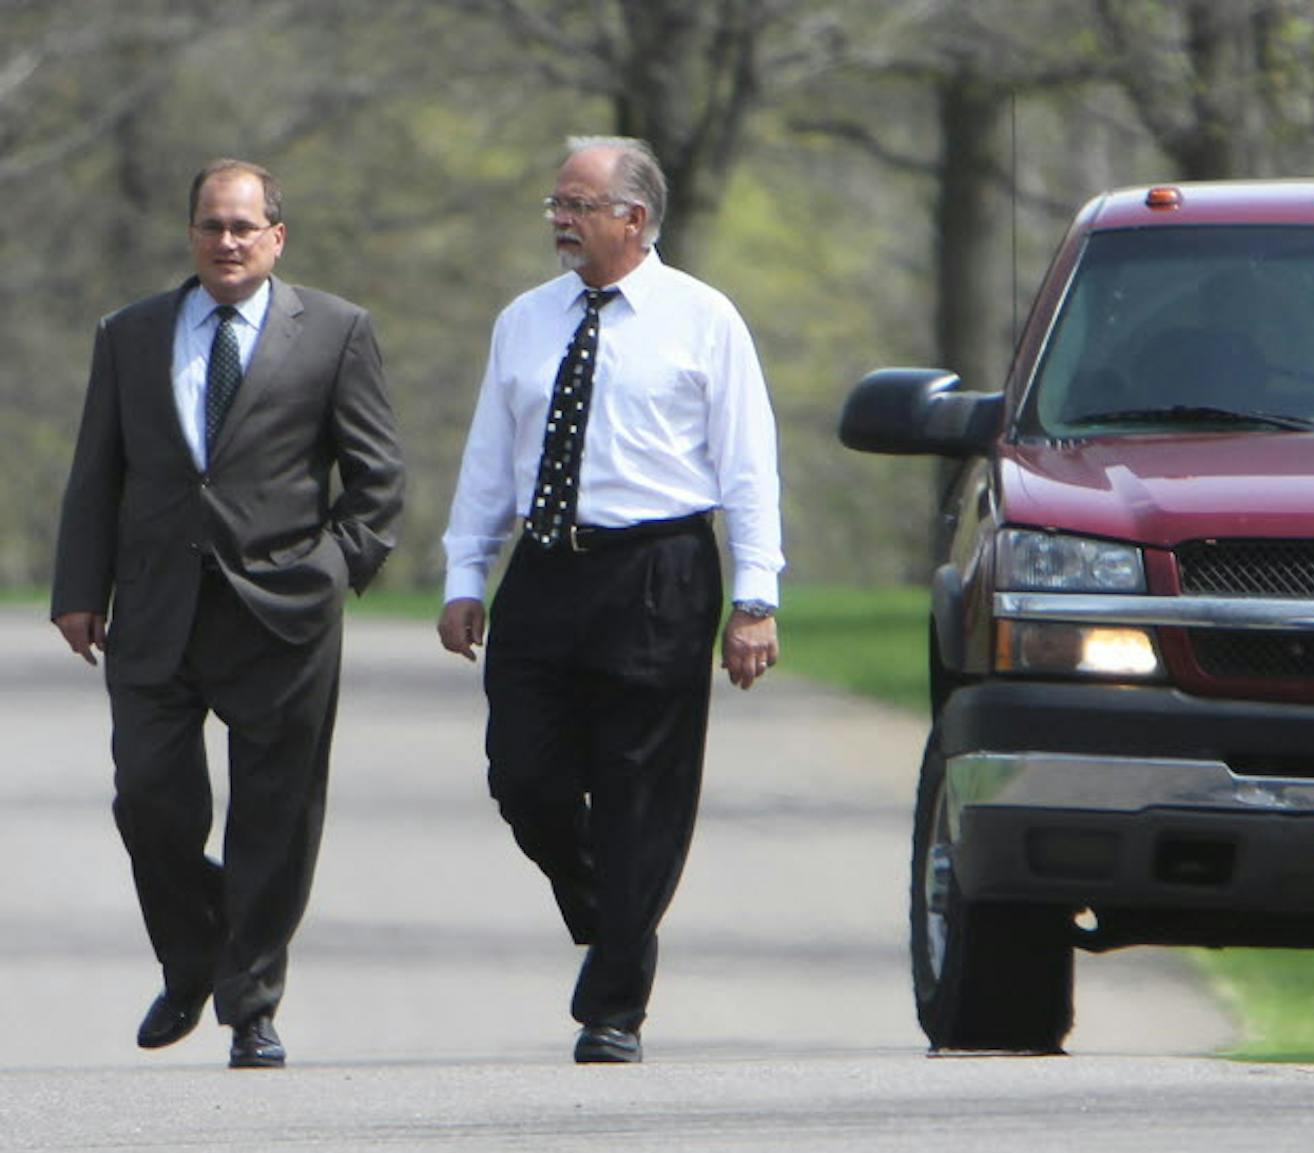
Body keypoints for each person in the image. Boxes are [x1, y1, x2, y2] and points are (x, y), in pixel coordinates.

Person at [50, 158, 405, 1069]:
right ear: (192, 235)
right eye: (212, 225)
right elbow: (99, 471)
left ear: (277, 236)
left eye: (245, 226)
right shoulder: (131, 334)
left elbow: (377, 480)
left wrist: (333, 570)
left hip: (282, 612)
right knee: (149, 802)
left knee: (275, 817)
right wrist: (80, 590)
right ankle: (193, 951)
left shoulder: (332, 331)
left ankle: (251, 1005)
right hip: (158, 608)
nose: (228, 240)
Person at [436, 136, 784, 1065]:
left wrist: (755, 598)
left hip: (659, 571)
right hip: (548, 571)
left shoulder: (703, 319)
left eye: (578, 204)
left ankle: (614, 1004)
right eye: (556, 203)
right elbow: (487, 458)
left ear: (633, 217)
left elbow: (749, 468)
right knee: (524, 774)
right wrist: (466, 573)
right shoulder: (525, 320)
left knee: (642, 791)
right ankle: (606, 908)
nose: (560, 219)